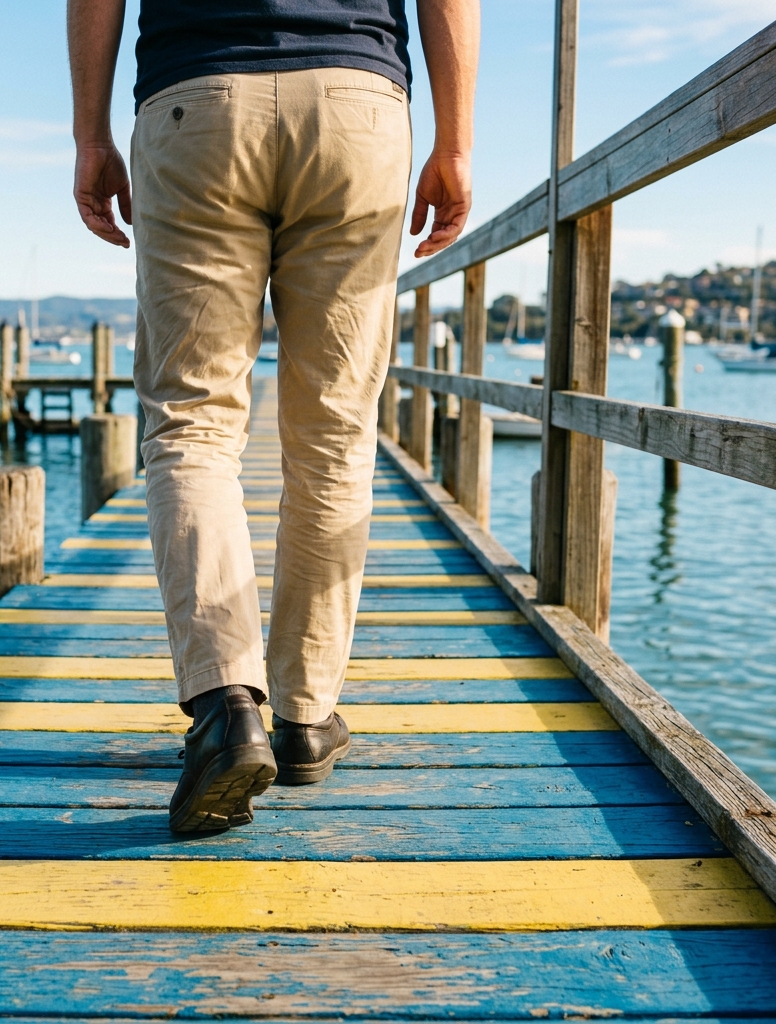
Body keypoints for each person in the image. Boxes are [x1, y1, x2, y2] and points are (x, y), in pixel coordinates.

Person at [68, 0, 478, 831]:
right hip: (358, 107)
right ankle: (304, 718)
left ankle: (226, 707)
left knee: (192, 423)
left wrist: (91, 135)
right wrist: (455, 144)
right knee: (335, 432)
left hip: (195, 100)